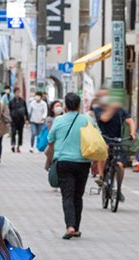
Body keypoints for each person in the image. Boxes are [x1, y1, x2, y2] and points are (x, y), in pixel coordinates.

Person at [45, 93, 92, 240]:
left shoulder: (59, 121)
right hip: (83, 162)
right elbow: (96, 138)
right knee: (78, 195)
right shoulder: (87, 120)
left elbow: (50, 139)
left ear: (65, 105)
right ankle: (76, 227)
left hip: (64, 161)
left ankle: (70, 226)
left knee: (67, 196)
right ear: (79, 105)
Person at [8, 87, 28, 153]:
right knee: (13, 133)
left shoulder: (23, 101)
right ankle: (13, 145)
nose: (18, 94)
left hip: (21, 120)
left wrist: (27, 119)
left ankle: (18, 146)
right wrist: (9, 118)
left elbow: (26, 110)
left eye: (18, 92)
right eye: (16, 92)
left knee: (20, 134)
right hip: (13, 120)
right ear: (14, 93)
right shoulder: (11, 101)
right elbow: (9, 110)